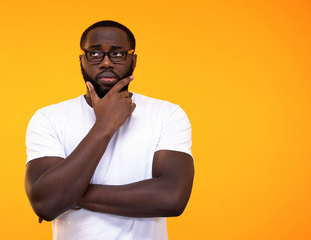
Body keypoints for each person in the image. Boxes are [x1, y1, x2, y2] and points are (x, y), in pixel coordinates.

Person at [24, 20, 194, 240]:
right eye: (94, 53)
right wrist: (105, 126)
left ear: (133, 60)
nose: (106, 62)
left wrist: (67, 195)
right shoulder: (49, 118)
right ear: (81, 60)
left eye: (117, 54)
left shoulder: (168, 114)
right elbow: (46, 205)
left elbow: (172, 199)